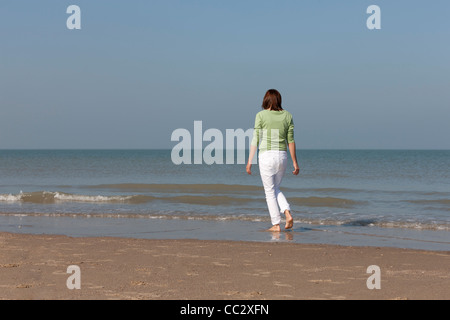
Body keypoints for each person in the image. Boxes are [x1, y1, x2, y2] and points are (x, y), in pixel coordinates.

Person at [246, 89, 300, 232]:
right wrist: (295, 162)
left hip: (266, 156)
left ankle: (276, 224)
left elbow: (255, 138)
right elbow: (291, 141)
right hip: (282, 156)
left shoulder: (261, 115)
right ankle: (287, 213)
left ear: (266, 100)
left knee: (269, 192)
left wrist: (249, 160)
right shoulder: (287, 115)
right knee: (275, 189)